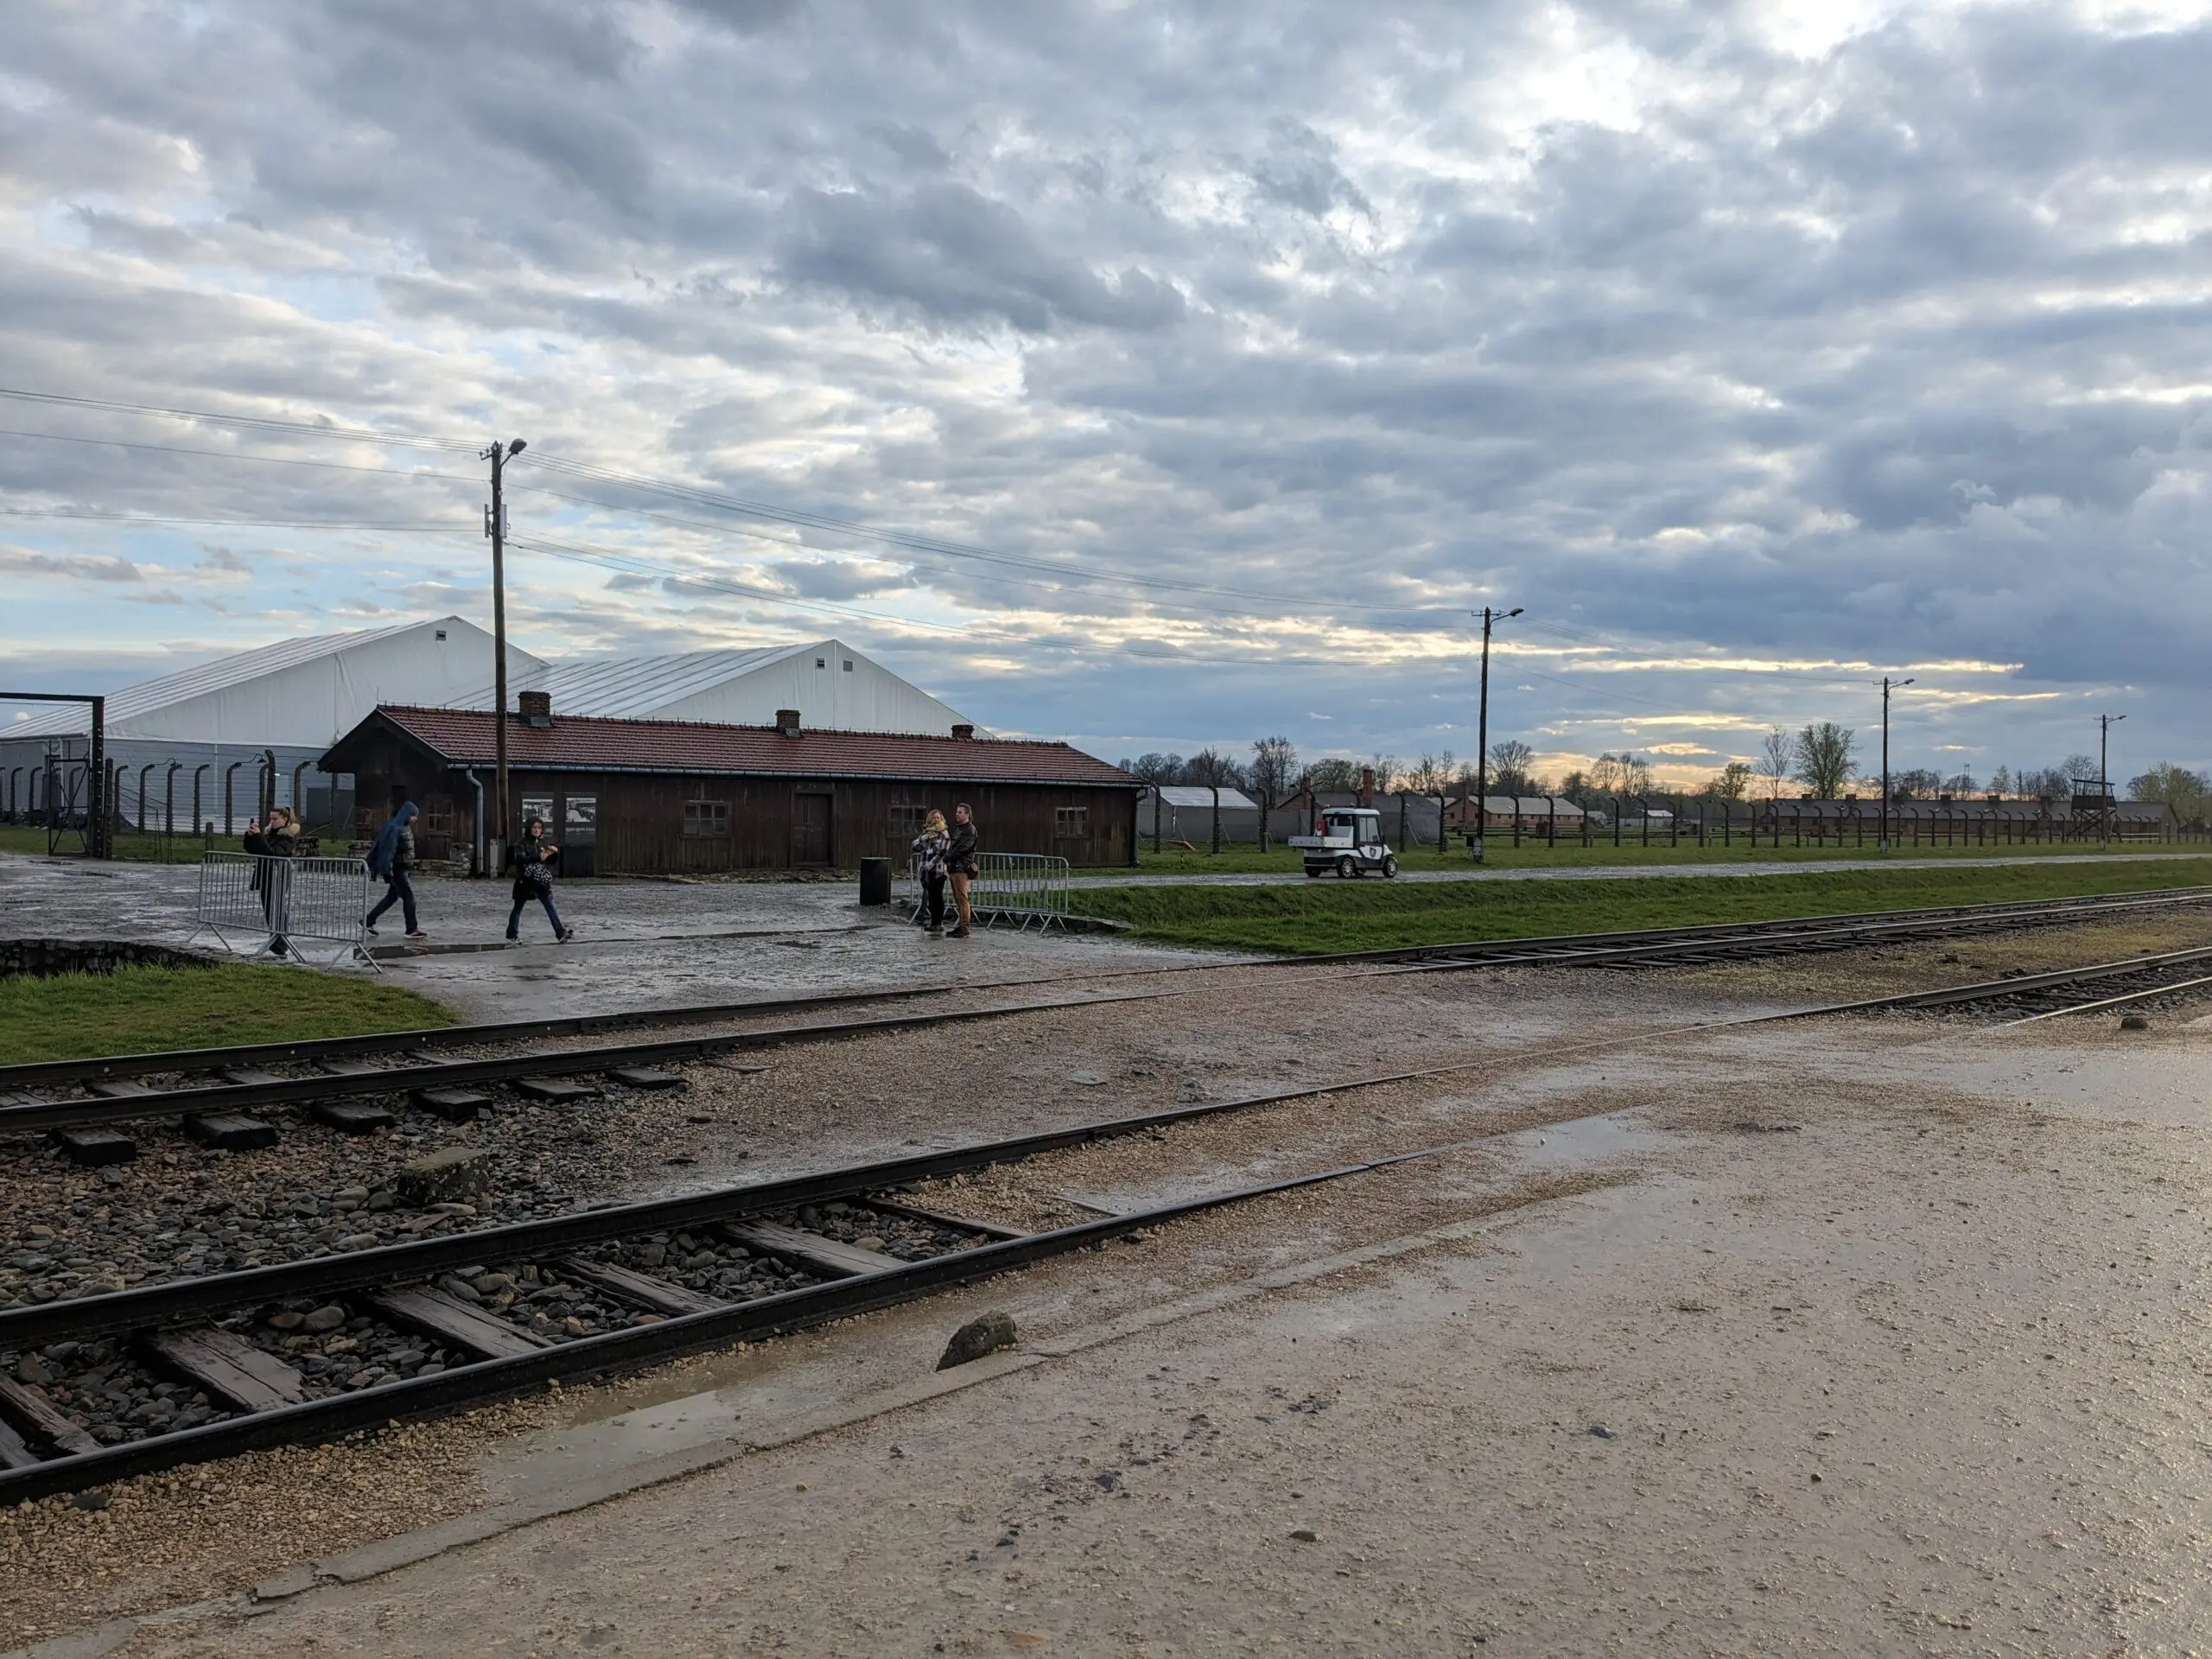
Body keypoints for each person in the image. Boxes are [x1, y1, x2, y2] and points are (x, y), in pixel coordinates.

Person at [506, 816, 573, 943]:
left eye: (539, 828)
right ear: (529, 829)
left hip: (539, 881)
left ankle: (560, 932)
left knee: (550, 905)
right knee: (518, 908)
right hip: (525, 881)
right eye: (534, 828)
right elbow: (520, 859)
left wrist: (554, 854)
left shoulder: (541, 842)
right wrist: (538, 857)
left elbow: (548, 861)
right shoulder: (521, 843)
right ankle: (511, 935)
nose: (537, 830)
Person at [243, 807, 299, 956]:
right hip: (265, 874)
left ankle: (280, 942)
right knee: (269, 909)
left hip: (278, 875)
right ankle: (276, 939)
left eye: (275, 819)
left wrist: (259, 837)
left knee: (277, 908)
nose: (272, 822)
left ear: (285, 819)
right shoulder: (269, 834)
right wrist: (251, 836)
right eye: (271, 819)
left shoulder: (288, 836)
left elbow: (273, 852)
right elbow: (254, 849)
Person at [365, 801, 425, 938]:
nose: (415, 819)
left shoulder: (404, 827)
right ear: (407, 814)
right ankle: (411, 929)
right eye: (414, 815)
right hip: (398, 870)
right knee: (409, 897)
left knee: (391, 897)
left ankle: (368, 920)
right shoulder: (395, 829)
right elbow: (388, 852)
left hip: (404, 868)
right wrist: (388, 871)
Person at [911, 808, 950, 937]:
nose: (935, 819)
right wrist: (924, 838)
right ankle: (933, 922)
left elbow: (943, 852)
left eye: (938, 817)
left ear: (941, 819)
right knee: (931, 897)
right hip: (926, 870)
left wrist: (931, 864)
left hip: (938, 869)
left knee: (937, 896)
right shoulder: (926, 833)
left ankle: (938, 923)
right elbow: (915, 846)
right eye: (933, 817)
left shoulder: (944, 833)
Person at [945, 802, 979, 938]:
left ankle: (964, 927)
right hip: (954, 867)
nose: (957, 815)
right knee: (958, 899)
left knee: (963, 899)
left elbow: (962, 849)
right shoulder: (960, 830)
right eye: (957, 812)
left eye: (960, 812)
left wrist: (947, 857)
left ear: (967, 815)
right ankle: (961, 925)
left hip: (962, 868)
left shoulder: (969, 830)